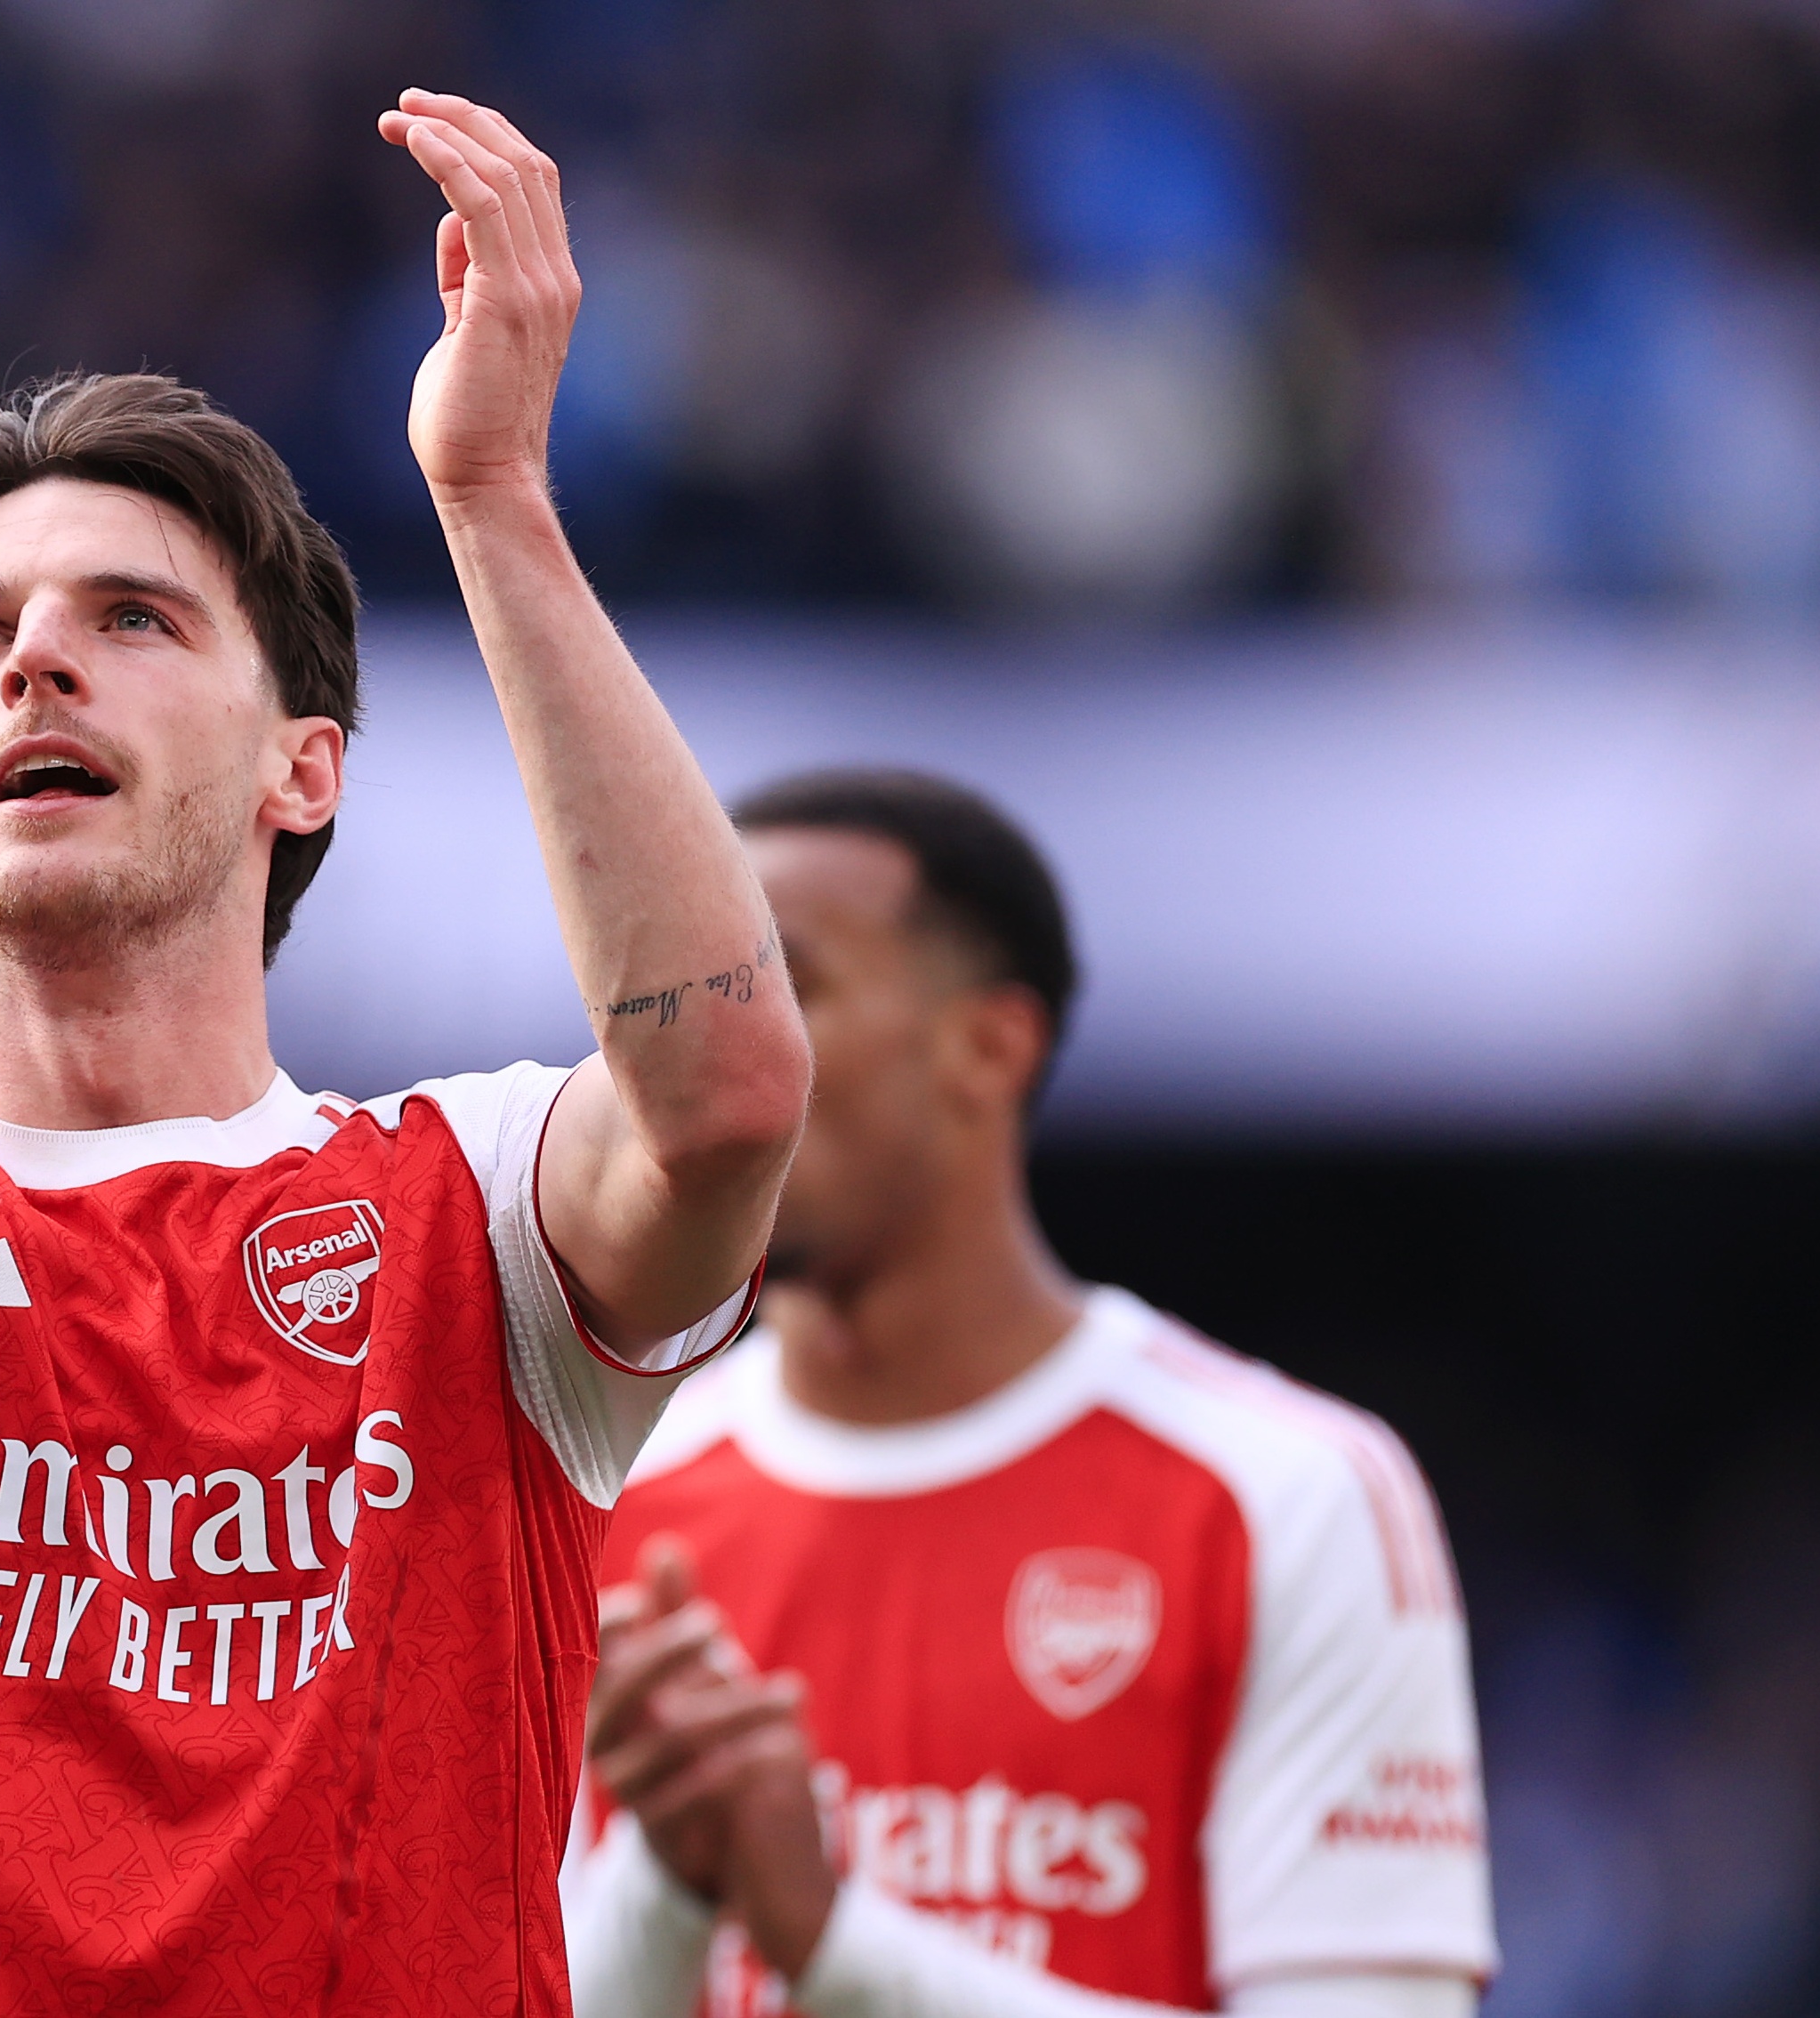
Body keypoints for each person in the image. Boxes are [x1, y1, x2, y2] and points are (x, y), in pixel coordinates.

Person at [0, 92, 812, 2014]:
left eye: (132, 619)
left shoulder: (469, 1209)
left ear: (307, 770)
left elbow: (720, 1105)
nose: (34, 661)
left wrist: (497, 504)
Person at [564, 770, 1496, 2018]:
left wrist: (835, 1946)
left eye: (779, 986)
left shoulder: (1285, 1493)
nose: (704, 1051)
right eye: (676, 997)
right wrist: (670, 1885)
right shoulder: (598, 1494)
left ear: (988, 1046)